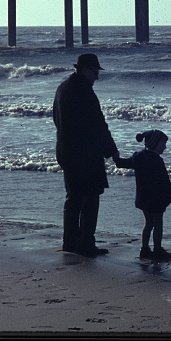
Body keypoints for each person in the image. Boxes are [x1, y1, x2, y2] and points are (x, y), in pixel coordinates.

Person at [53, 53, 119, 257]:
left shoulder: (63, 88)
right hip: (86, 154)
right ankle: (86, 243)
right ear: (84, 70)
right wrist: (112, 150)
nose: (97, 77)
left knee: (73, 198)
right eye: (95, 72)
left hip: (66, 151)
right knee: (91, 198)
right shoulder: (84, 91)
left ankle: (70, 242)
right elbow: (98, 125)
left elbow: (57, 120)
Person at [113, 130, 171, 262]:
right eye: (163, 143)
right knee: (158, 223)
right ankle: (157, 249)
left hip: (143, 197)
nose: (165, 147)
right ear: (155, 144)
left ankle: (145, 248)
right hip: (156, 198)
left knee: (148, 223)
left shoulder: (138, 157)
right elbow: (164, 180)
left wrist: (116, 157)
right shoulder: (157, 160)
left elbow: (122, 164)